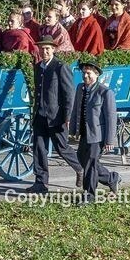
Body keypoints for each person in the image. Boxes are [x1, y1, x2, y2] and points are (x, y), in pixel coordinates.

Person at [28, 38, 83, 193]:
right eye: (42, 48)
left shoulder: (60, 67)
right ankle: (41, 183)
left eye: (47, 48)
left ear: (53, 49)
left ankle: (80, 168)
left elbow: (69, 93)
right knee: (39, 149)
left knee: (62, 147)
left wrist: (68, 116)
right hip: (40, 115)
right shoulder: (38, 67)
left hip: (56, 116)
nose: (44, 51)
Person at [70, 61, 121, 205]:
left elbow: (111, 118)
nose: (85, 76)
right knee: (82, 159)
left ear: (97, 75)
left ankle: (89, 195)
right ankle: (112, 178)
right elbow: (76, 109)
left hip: (98, 135)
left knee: (91, 164)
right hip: (84, 133)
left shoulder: (105, 92)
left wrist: (109, 140)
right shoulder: (80, 88)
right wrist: (73, 129)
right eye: (83, 73)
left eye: (89, 73)